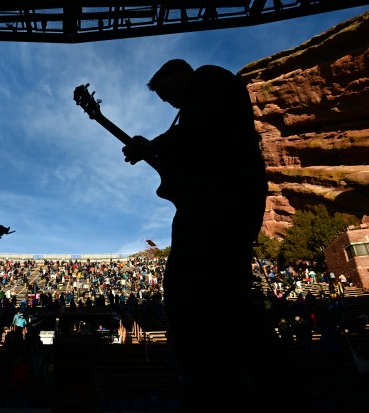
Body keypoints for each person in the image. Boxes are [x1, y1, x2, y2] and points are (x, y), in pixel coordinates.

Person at [122, 59, 299, 412]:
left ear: (178, 75)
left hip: (219, 211)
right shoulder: (201, 103)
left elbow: (200, 133)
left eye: (167, 95)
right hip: (220, 211)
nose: (170, 104)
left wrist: (152, 146)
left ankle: (223, 394)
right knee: (228, 305)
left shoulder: (210, 79)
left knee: (196, 303)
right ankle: (264, 392)